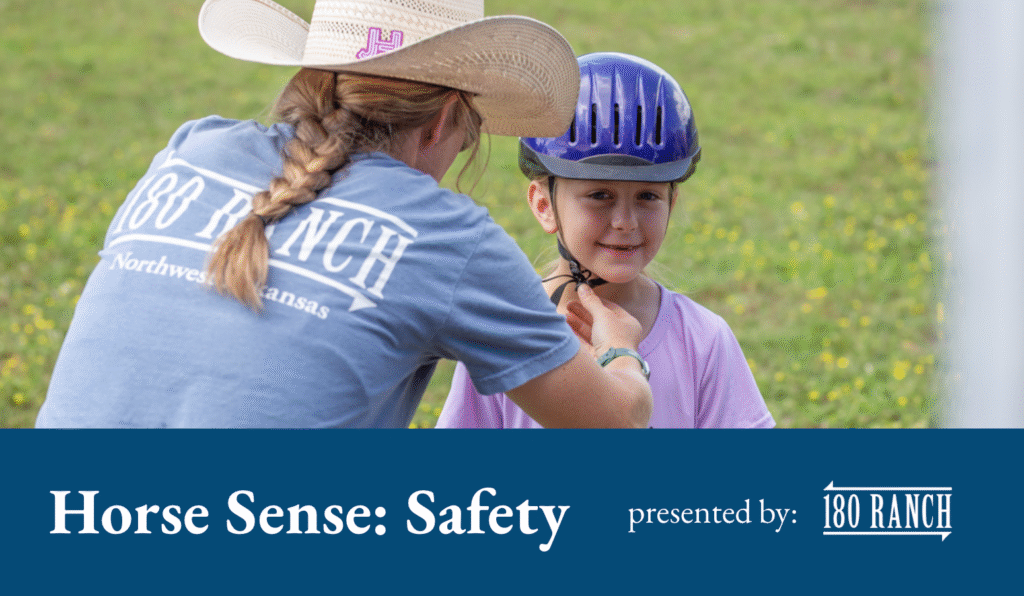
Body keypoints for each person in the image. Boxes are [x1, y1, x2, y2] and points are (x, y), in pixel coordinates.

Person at [35, 0, 654, 428]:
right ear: (442, 122)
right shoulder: (447, 238)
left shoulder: (189, 151)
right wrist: (620, 349)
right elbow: (613, 424)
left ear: (311, 78)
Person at [436, 52, 775, 429]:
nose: (625, 222)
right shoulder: (502, 335)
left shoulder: (704, 341)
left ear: (671, 203)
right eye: (600, 195)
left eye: (648, 197)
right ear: (544, 204)